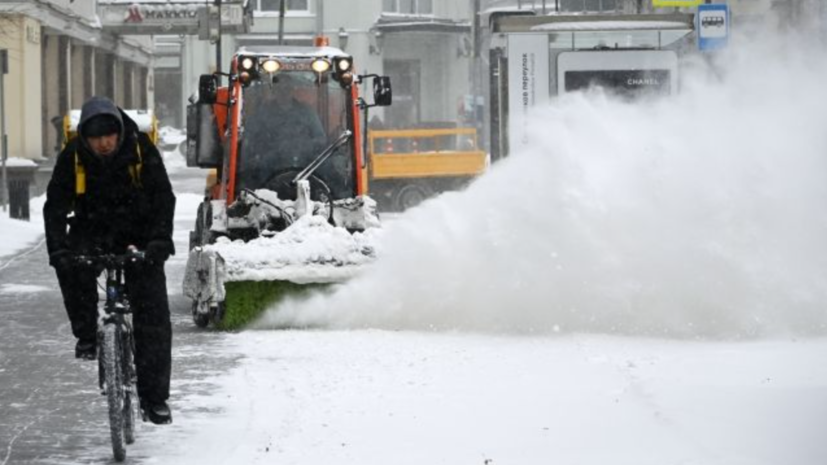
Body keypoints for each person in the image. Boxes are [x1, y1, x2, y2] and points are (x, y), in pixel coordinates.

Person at [43, 96, 176, 425]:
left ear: (118, 131)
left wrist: (159, 242)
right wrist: (59, 250)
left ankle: (154, 398)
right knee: (71, 268)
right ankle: (87, 335)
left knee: (152, 313)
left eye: (109, 135)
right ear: (85, 138)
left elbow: (163, 197)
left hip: (139, 233)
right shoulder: (73, 156)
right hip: (92, 230)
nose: (103, 143)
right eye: (95, 137)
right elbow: (55, 207)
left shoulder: (141, 149)